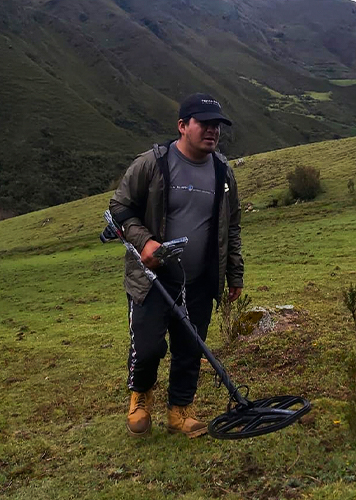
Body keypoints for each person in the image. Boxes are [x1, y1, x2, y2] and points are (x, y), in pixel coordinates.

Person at [109, 93, 244, 438]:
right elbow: (121, 208)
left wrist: (234, 275)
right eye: (204, 123)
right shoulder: (153, 163)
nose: (213, 131)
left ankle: (179, 411)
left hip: (199, 280)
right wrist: (145, 242)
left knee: (190, 347)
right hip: (152, 277)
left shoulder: (223, 171)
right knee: (150, 345)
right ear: (183, 126)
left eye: (217, 125)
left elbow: (232, 226)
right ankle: (140, 398)